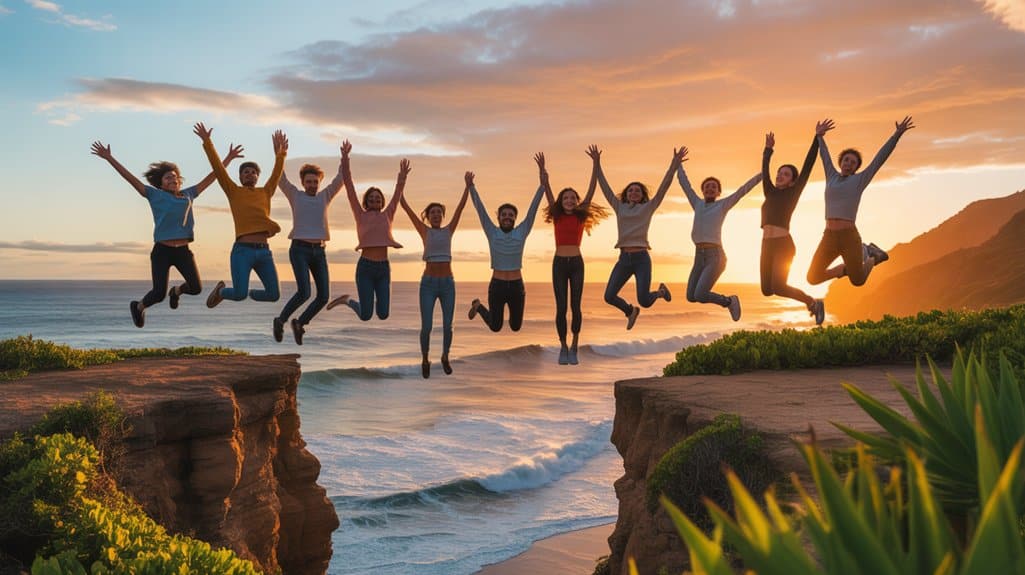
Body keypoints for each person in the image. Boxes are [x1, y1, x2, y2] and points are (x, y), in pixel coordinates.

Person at [90, 140, 242, 327]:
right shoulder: (155, 195)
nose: (173, 180)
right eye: (168, 178)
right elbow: (131, 179)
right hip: (162, 251)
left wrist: (227, 158)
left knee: (196, 288)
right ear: (161, 183)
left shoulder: (189, 194)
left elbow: (213, 177)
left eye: (175, 177)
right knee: (158, 294)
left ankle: (176, 292)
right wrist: (109, 158)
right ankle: (138, 306)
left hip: (183, 251)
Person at [806, 116, 915, 287]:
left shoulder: (859, 181)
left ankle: (872, 254)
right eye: (846, 160)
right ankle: (852, 263)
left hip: (849, 236)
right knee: (813, 277)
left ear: (856, 167)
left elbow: (880, 158)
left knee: (858, 280)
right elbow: (824, 156)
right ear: (840, 162)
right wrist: (819, 136)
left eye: (853, 162)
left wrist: (897, 135)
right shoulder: (831, 176)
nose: (848, 163)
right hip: (828, 237)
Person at [193, 122, 287, 309]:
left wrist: (281, 154)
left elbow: (276, 174)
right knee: (238, 294)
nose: (250, 174)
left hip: (264, 252)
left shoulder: (265, 192)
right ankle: (221, 291)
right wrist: (207, 142)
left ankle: (249, 292)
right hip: (242, 251)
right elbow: (219, 169)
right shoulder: (233, 191)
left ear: (257, 177)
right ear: (240, 177)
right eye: (245, 172)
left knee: (273, 295)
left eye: (253, 172)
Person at [594, 146, 685, 329]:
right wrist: (597, 164)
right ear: (626, 195)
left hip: (642, 259)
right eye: (630, 191)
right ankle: (630, 311)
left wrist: (674, 164)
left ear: (643, 195)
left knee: (645, 300)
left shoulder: (648, 207)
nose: (633, 193)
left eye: (637, 191)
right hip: (624, 259)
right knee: (609, 296)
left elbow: (664, 186)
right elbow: (604, 186)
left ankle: (660, 293)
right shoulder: (619, 206)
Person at [326, 141, 410, 321]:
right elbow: (349, 185)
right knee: (365, 315)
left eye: (378, 199)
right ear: (366, 202)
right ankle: (347, 300)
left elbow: (397, 194)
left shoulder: (388, 214)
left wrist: (402, 177)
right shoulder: (360, 214)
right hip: (365, 267)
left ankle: (353, 300)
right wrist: (345, 159)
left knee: (383, 314)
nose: (375, 201)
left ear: (382, 202)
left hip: (383, 268)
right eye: (371, 199)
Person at [399, 174, 471, 378]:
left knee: (448, 325)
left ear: (443, 216)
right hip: (428, 284)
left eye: (439, 212)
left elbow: (460, 209)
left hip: (448, 284)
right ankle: (425, 358)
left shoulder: (449, 230)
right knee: (427, 326)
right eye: (433, 213)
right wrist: (401, 184)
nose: (437, 215)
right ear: (428, 216)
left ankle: (445, 356)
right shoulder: (425, 231)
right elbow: (405, 207)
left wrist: (467, 187)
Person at [540, 148, 608, 364]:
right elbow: (546, 189)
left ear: (577, 201)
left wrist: (596, 164)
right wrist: (543, 171)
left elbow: (592, 188)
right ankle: (563, 347)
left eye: (572, 198)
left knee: (575, 306)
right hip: (559, 263)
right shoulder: (557, 216)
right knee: (560, 307)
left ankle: (575, 345)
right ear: (561, 201)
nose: (569, 200)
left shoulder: (580, 216)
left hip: (577, 264)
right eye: (566, 198)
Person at [273, 148, 347, 345]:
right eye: (309, 182)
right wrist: (279, 155)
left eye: (315, 182)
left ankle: (300, 323)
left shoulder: (325, 196)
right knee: (304, 292)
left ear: (319, 183)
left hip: (319, 251)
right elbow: (280, 178)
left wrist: (344, 158)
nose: (312, 185)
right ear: (303, 183)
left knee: (323, 296)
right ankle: (280, 321)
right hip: (299, 250)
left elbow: (341, 178)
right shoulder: (295, 195)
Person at [676, 150, 761, 321]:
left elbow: (743, 190)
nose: (710, 188)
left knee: (700, 294)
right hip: (699, 256)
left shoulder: (723, 205)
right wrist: (678, 164)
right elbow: (685, 185)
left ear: (718, 192)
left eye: (713, 187)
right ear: (702, 190)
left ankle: (729, 301)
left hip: (716, 256)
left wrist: (762, 174)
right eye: (707, 186)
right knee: (691, 296)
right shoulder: (697, 203)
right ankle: (728, 301)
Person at [466, 164, 545, 333]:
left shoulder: (522, 231)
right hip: (497, 285)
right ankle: (479, 306)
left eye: (511, 215)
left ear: (515, 218)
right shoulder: (492, 231)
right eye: (504, 215)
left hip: (517, 285)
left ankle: (480, 306)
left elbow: (533, 209)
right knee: (495, 326)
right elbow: (480, 209)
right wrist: (471, 187)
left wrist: (543, 185)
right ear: (499, 218)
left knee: (516, 327)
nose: (507, 217)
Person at [759, 129, 823, 324]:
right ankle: (811, 302)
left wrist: (817, 139)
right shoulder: (769, 192)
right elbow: (764, 171)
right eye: (779, 173)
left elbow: (807, 167)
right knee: (767, 290)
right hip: (766, 245)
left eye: (785, 174)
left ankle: (812, 302)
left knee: (778, 286)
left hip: (783, 245)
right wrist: (768, 150)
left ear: (792, 181)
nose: (779, 175)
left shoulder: (793, 193)